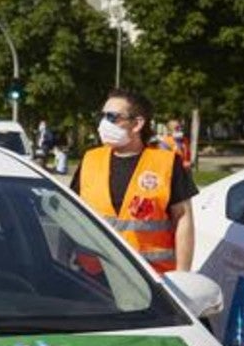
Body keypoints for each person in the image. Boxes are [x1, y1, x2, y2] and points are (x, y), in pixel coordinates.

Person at [70, 89, 198, 273]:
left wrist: (183, 275)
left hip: (150, 278)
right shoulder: (90, 159)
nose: (104, 123)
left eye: (112, 117)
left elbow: (183, 219)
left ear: (137, 124)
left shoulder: (167, 163)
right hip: (94, 276)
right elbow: (70, 213)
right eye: (102, 116)